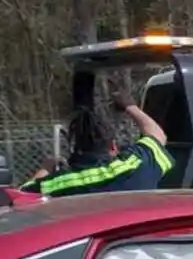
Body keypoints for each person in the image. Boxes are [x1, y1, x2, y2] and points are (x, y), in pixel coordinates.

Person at [21, 80, 173, 198]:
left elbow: (23, 196)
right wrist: (129, 106)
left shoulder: (55, 185)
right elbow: (157, 135)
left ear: (74, 149)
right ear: (113, 147)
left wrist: (46, 168)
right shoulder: (134, 167)